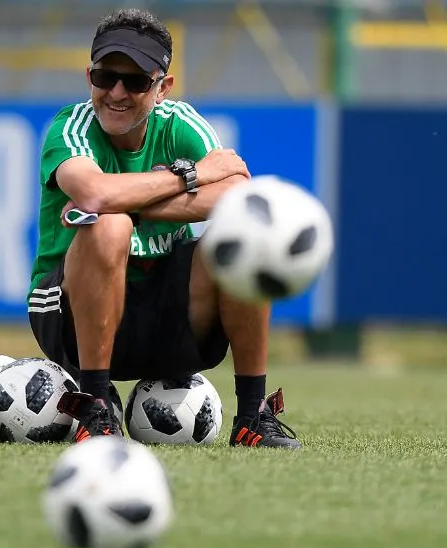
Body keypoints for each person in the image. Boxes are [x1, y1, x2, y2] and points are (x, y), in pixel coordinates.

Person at [27, 8, 300, 449]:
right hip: (69, 319)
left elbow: (238, 198)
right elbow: (95, 194)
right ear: (89, 76)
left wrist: (134, 206)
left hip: (169, 314)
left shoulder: (180, 123)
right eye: (104, 77)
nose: (116, 92)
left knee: (246, 236)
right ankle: (96, 409)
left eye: (134, 81)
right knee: (108, 228)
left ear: (162, 87)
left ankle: (252, 417)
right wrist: (189, 175)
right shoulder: (69, 126)